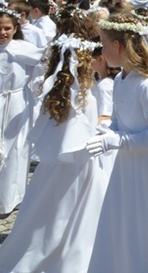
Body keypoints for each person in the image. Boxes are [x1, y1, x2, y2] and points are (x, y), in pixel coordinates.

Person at [0, 24, 105, 272]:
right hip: (79, 166)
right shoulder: (84, 97)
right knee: (68, 216)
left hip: (51, 166)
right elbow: (88, 132)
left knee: (43, 212)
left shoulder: (53, 92)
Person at [85, 12, 148, 272]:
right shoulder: (119, 79)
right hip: (126, 167)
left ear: (117, 46)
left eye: (104, 43)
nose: (101, 49)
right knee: (124, 222)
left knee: (147, 225)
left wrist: (118, 139)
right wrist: (106, 131)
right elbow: (117, 120)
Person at [0, 7, 44, 216]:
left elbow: (44, 64)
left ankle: (12, 196)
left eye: (7, 28)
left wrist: (36, 86)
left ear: (15, 28)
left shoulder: (23, 48)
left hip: (16, 102)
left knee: (15, 148)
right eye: (0, 28)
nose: (3, 33)